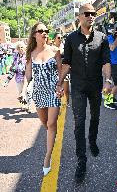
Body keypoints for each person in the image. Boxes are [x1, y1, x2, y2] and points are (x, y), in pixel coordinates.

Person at [56, 3, 112, 183]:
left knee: (95, 117)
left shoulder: (102, 38)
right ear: (79, 17)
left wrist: (108, 80)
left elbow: (106, 62)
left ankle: (92, 141)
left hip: (95, 85)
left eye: (93, 13)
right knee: (79, 122)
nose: (90, 16)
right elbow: (67, 63)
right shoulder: (71, 39)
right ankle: (81, 160)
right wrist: (59, 82)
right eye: (86, 13)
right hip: (78, 87)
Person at [24, 22, 61, 176]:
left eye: (46, 31)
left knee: (52, 123)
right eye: (41, 31)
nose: (45, 33)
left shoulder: (55, 51)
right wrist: (25, 90)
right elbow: (28, 76)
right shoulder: (31, 53)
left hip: (53, 92)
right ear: (34, 34)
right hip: (38, 93)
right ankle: (51, 139)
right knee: (45, 123)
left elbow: (61, 71)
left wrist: (60, 86)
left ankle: (47, 157)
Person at [104, 26, 117, 110]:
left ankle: (112, 97)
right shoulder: (109, 38)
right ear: (114, 31)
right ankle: (108, 101)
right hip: (112, 63)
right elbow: (112, 48)